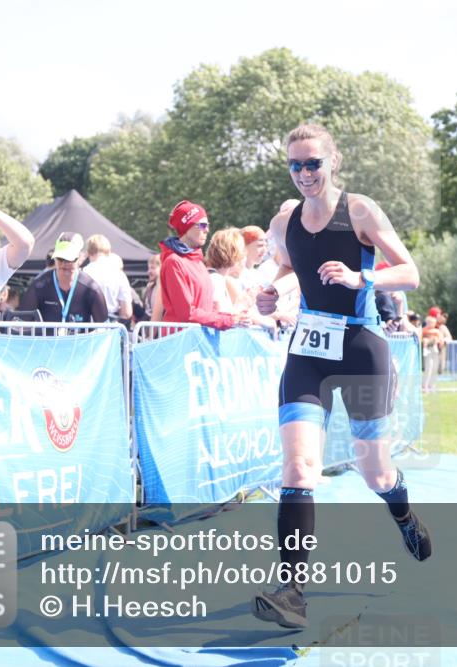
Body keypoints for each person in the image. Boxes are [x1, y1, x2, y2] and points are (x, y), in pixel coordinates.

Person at [252, 123, 428, 629]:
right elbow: (288, 269)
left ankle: (402, 512)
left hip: (360, 346)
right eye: (295, 165)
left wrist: (361, 278)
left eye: (313, 163)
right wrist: (272, 293)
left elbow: (410, 272)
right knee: (299, 468)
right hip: (309, 349)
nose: (304, 174)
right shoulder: (284, 221)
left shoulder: (360, 211)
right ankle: (292, 592)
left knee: (375, 472)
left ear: (334, 162)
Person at [159, 200, 249, 329]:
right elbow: (187, 313)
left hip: (198, 339)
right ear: (187, 227)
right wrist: (229, 320)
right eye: (201, 225)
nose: (207, 230)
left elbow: (208, 309)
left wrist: (234, 318)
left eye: (207, 225)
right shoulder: (174, 262)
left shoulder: (198, 262)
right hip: (182, 341)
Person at [19, 233, 108, 326]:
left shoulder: (91, 289)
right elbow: (22, 324)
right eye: (60, 258)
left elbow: (105, 329)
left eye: (70, 259)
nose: (64, 263)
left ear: (80, 258)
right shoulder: (39, 285)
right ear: (55, 259)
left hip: (79, 340)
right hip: (47, 340)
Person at [83, 234, 133, 324]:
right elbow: (126, 312)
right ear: (109, 252)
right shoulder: (119, 274)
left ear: (88, 252)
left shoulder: (83, 273)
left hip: (88, 326)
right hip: (111, 327)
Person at [141, 254, 161, 321]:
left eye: (153, 268)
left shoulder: (164, 289)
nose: (149, 271)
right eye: (148, 268)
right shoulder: (150, 287)